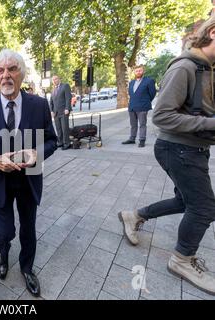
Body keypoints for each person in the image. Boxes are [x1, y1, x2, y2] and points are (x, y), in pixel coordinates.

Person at [118, 17, 215, 295]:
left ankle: (133, 215)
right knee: (205, 208)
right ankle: (182, 259)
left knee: (187, 201)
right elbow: (161, 115)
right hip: (178, 149)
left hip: (192, 148)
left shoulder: (206, 68)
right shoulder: (186, 66)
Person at [0, 49, 57, 297]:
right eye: (1, 70)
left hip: (29, 181)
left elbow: (52, 141)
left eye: (12, 69)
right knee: (6, 230)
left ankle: (27, 267)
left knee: (28, 228)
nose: (6, 75)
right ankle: (3, 248)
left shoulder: (39, 105)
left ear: (21, 74)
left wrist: (36, 154)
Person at [121, 65, 156, 148]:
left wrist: (146, 101)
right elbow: (131, 94)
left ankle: (142, 140)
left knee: (142, 124)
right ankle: (132, 139)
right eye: (136, 71)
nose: (138, 72)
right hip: (132, 106)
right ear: (134, 72)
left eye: (140, 70)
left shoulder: (149, 81)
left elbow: (152, 93)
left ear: (143, 71)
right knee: (133, 125)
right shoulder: (131, 82)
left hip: (143, 106)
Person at [50, 75, 72, 150]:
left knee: (64, 128)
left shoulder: (65, 86)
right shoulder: (53, 90)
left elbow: (68, 98)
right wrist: (51, 111)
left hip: (64, 112)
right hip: (56, 113)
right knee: (58, 129)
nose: (54, 81)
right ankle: (60, 142)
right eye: (53, 80)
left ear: (59, 79)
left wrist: (67, 108)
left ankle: (67, 143)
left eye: (56, 79)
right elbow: (51, 102)